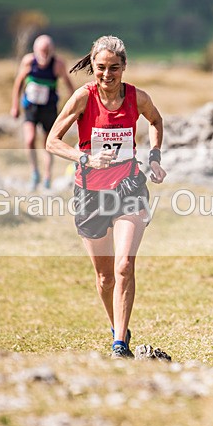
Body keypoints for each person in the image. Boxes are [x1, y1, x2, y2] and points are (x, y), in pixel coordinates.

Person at [46, 35, 166, 359]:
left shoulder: (137, 98)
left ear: (124, 67)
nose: (107, 74)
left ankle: (118, 345)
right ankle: (118, 330)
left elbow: (156, 121)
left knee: (124, 265)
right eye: (101, 67)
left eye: (114, 68)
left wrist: (154, 156)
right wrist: (84, 158)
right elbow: (52, 141)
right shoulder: (82, 98)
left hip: (129, 189)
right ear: (93, 66)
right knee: (104, 276)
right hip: (90, 194)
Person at [11, 34, 76, 190]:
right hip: (31, 107)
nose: (44, 54)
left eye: (47, 51)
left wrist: (75, 106)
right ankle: (35, 173)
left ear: (52, 50)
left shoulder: (58, 64)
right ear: (35, 50)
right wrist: (15, 106)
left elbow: (69, 84)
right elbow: (18, 82)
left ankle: (47, 177)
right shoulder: (28, 61)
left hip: (49, 108)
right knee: (29, 139)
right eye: (42, 50)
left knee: (49, 143)